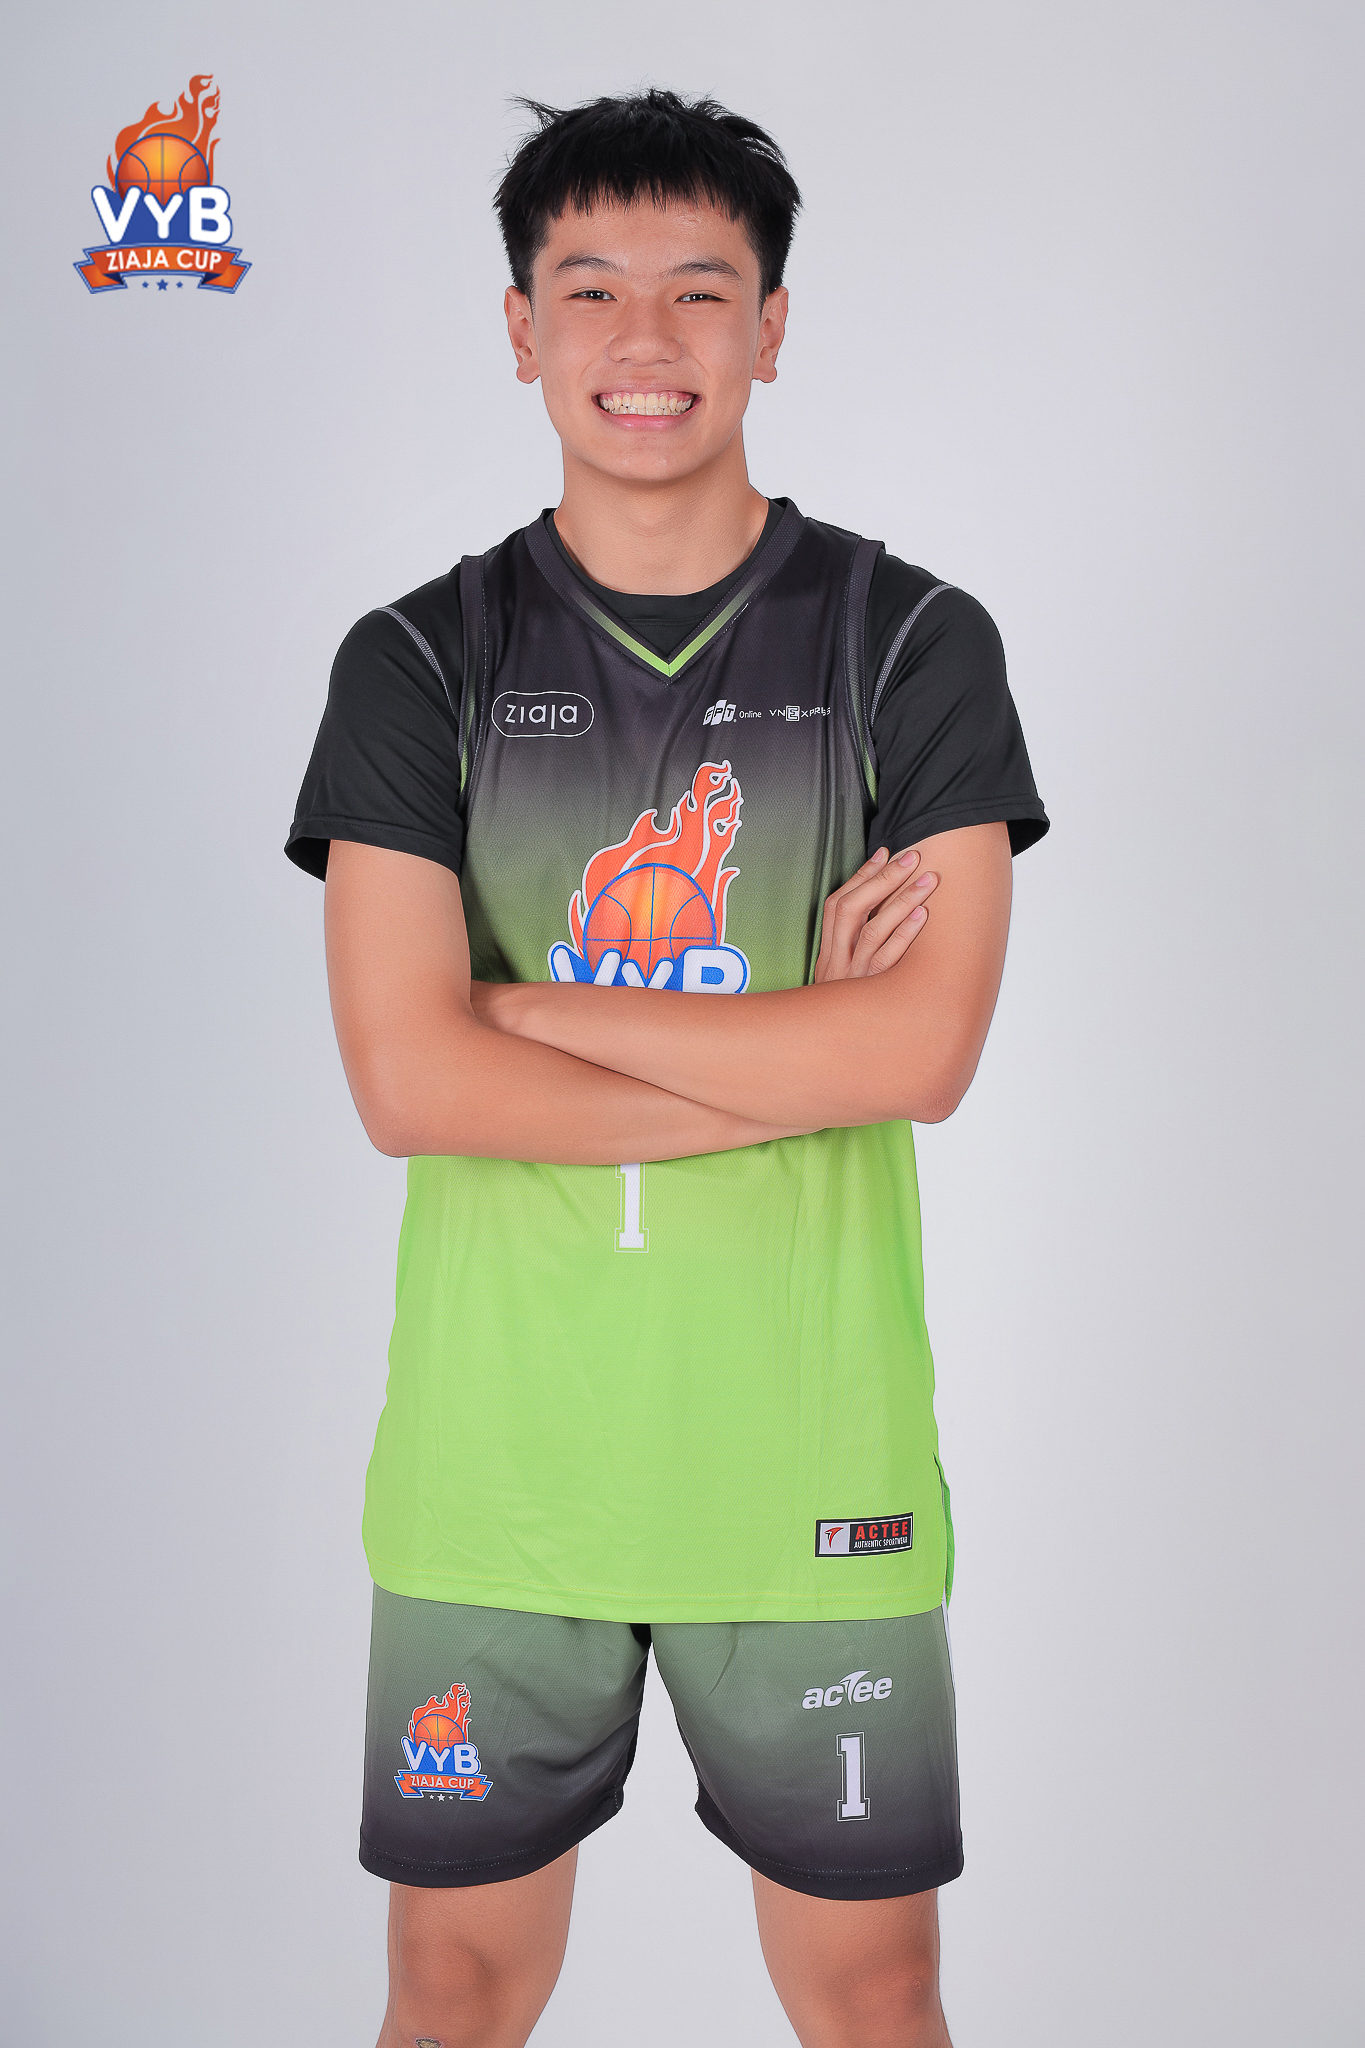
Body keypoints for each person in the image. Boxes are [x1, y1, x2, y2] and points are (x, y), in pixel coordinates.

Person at [287, 88, 1047, 2048]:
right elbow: (406, 1085)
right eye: (590, 289)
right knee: (454, 1986)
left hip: (810, 1471)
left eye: (700, 291)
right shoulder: (418, 661)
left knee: (872, 1991)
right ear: (519, 326)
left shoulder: (908, 643)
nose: (645, 340)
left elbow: (922, 1051)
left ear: (770, 325)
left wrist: (526, 1005)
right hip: (497, 1478)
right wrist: (793, 1049)